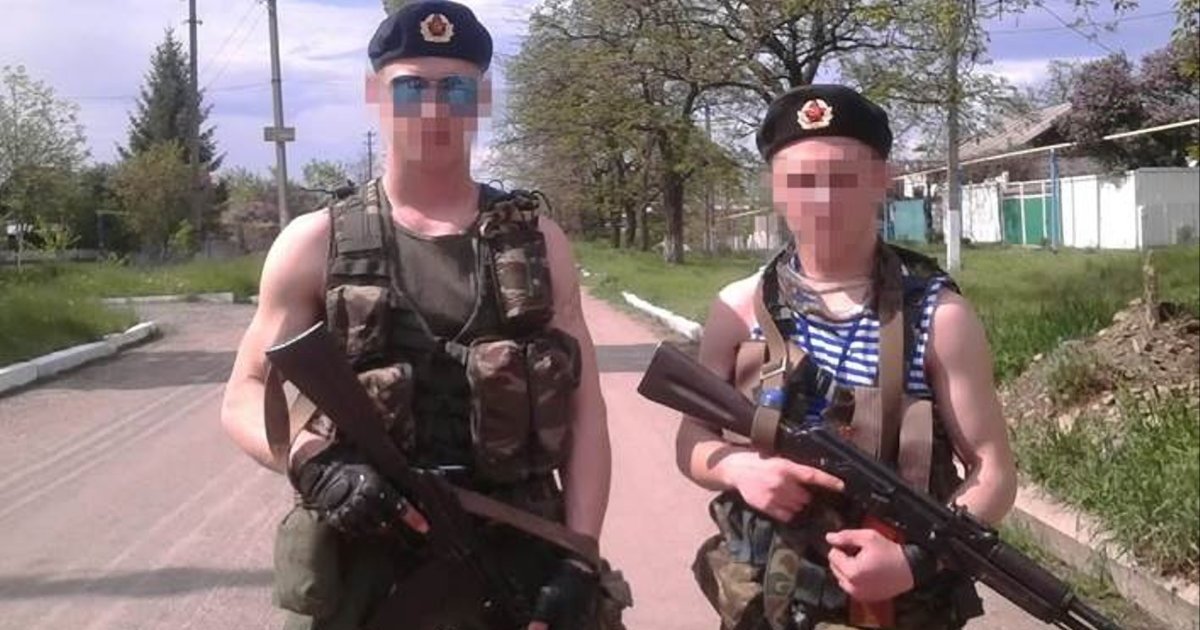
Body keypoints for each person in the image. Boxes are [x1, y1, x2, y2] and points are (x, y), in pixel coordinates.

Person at [219, 2, 625, 628]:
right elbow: (244, 394)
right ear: (374, 94)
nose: (434, 110)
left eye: (455, 88)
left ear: (481, 99)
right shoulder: (315, 242)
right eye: (411, 88)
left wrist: (580, 556)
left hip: (517, 554)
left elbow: (585, 412)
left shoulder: (539, 243)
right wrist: (313, 462)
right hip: (366, 566)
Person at [674, 84, 1018, 630]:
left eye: (843, 178)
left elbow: (993, 471)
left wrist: (912, 562)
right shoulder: (738, 309)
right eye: (800, 181)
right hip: (766, 601)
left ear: (882, 179)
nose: (822, 199)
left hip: (899, 609)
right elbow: (692, 439)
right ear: (775, 189)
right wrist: (739, 469)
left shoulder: (937, 316)